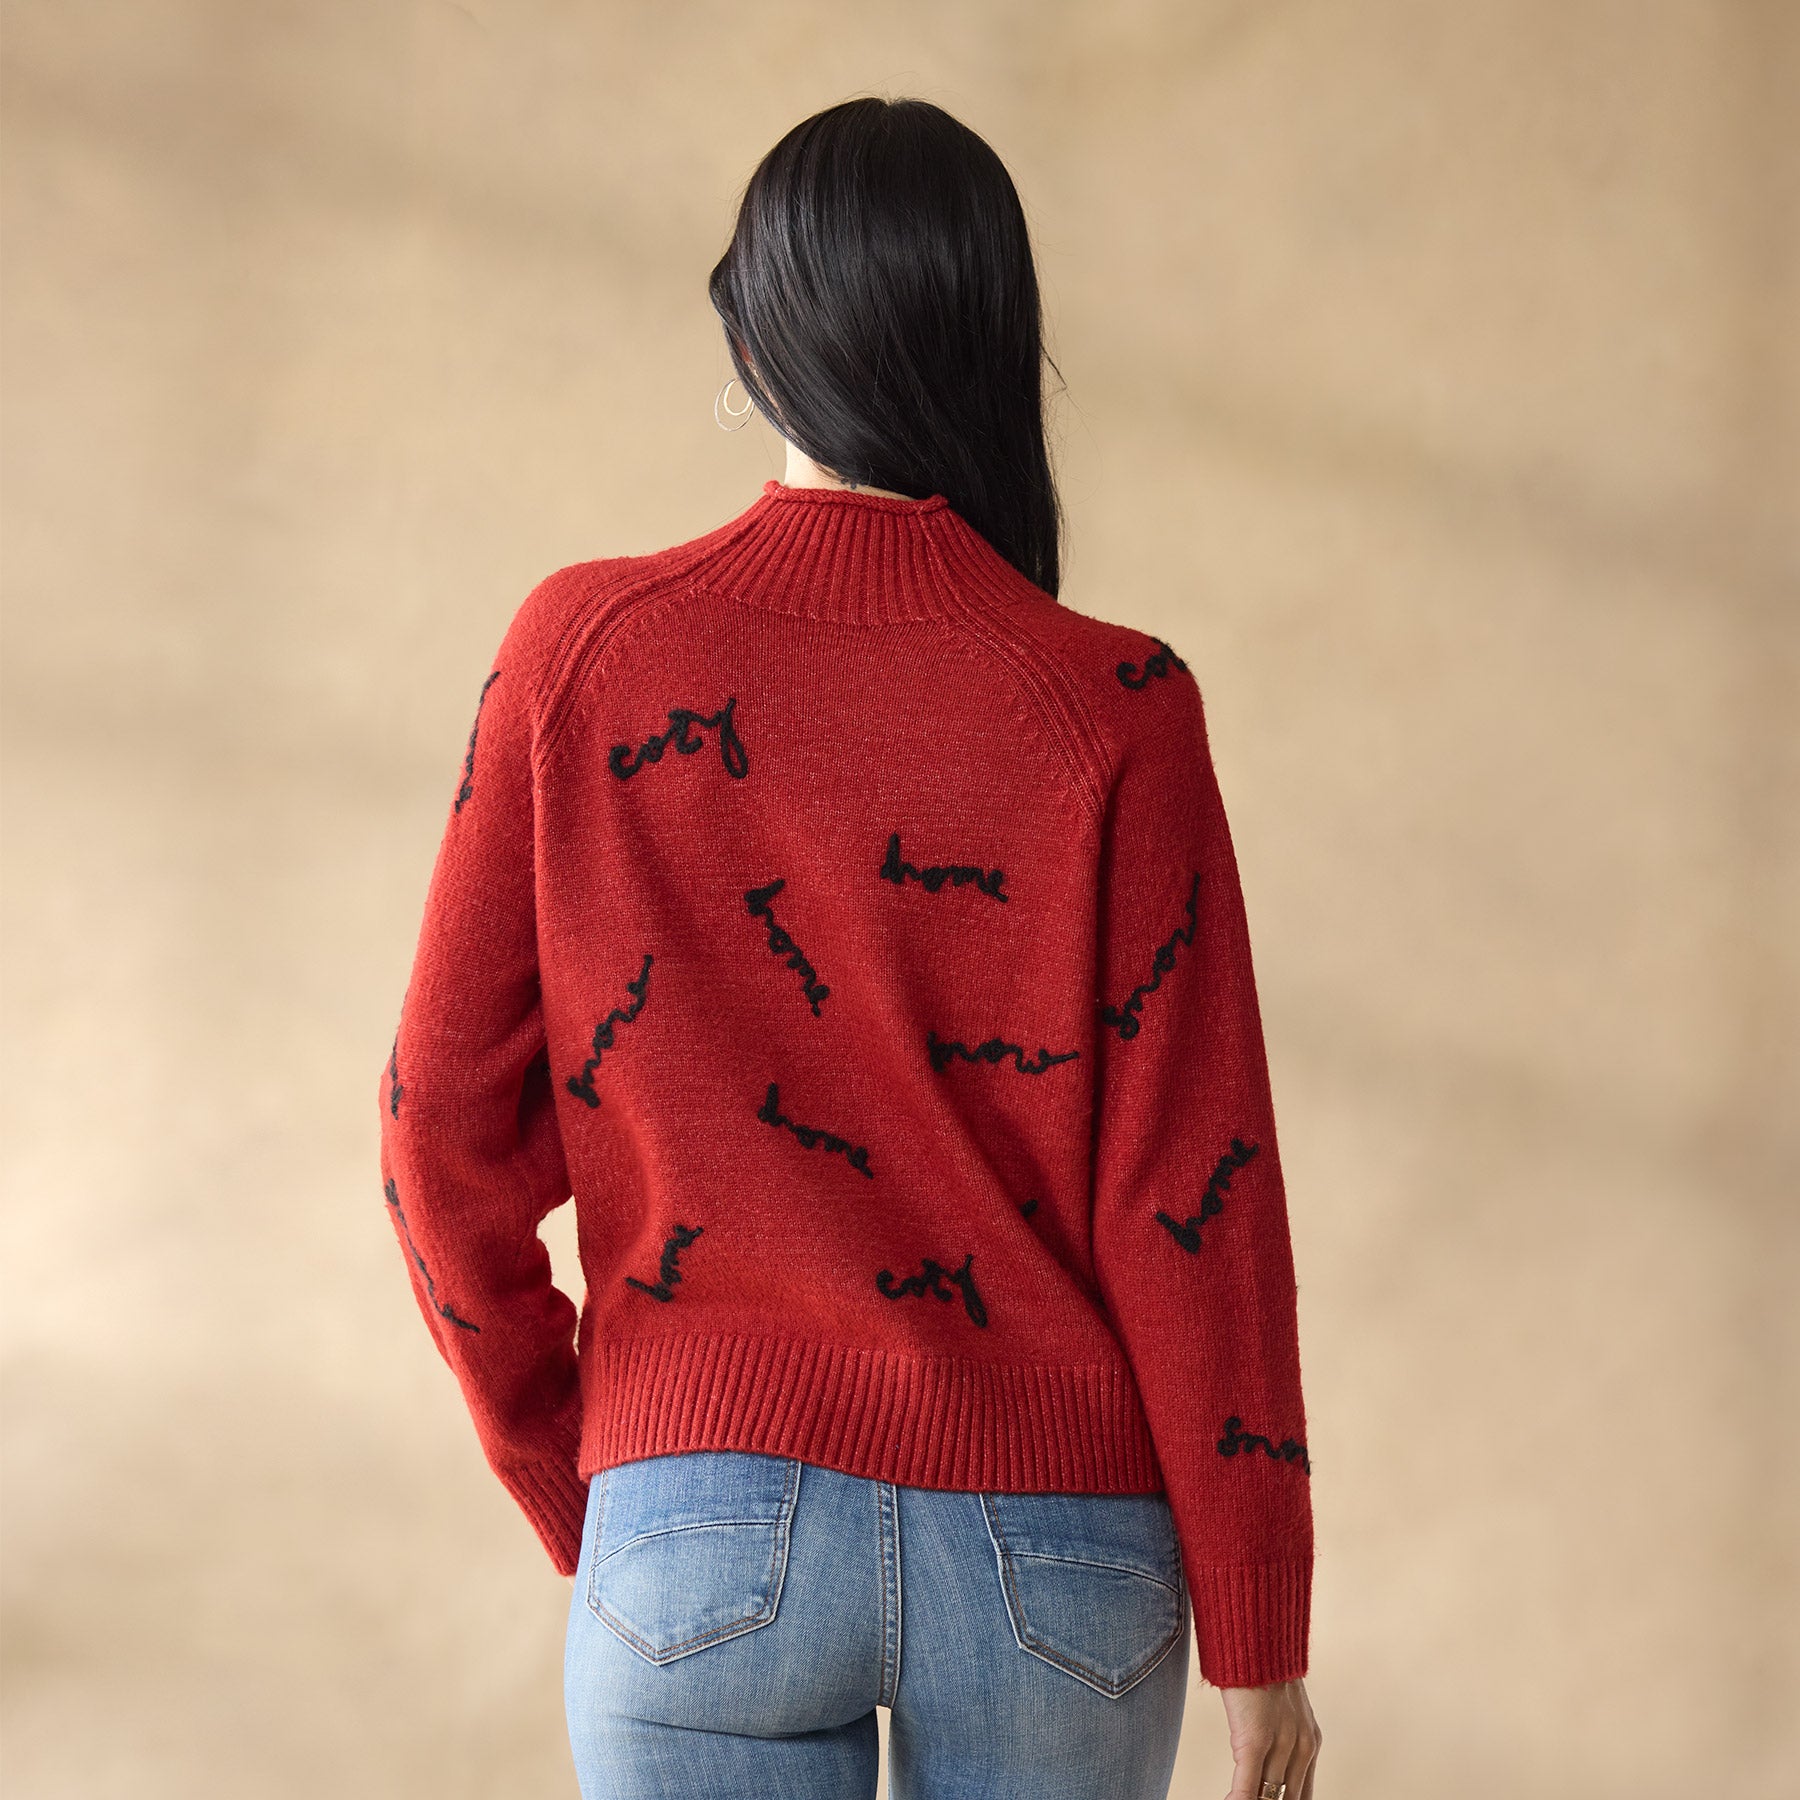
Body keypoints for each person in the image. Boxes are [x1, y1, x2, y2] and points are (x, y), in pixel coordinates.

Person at [377, 94, 1322, 1800]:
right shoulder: (1117, 705)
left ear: (751, 347)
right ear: (999, 351)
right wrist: (1261, 1633)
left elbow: (435, 1132)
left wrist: (603, 1478)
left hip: (697, 1520)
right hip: (1062, 1559)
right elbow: (1198, 1200)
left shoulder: (583, 652)